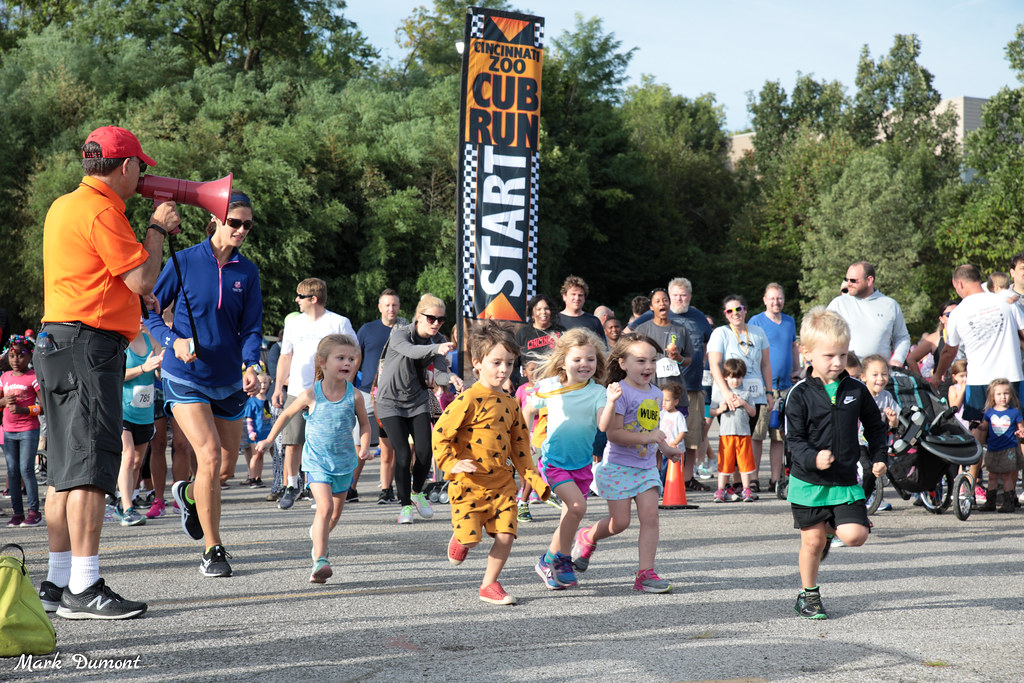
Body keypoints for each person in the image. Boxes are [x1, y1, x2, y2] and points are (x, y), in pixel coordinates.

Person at [36, 125, 178, 619]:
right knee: (94, 471)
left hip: (57, 342)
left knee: (63, 475)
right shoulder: (103, 210)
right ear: (124, 166)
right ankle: (85, 586)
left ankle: (56, 584)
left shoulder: (65, 205)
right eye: (140, 165)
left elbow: (97, 277)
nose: (143, 176)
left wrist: (131, 298)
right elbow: (141, 275)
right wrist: (156, 229)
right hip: (89, 348)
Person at [148, 192, 262, 579]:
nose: (242, 230)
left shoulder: (248, 273)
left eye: (248, 224)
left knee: (226, 468)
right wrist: (171, 341)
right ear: (215, 221)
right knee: (210, 455)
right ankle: (213, 550)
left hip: (229, 379)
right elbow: (148, 309)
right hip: (186, 377)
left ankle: (186, 493)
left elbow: (251, 328)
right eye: (236, 222)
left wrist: (252, 364)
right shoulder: (183, 261)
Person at [432, 322, 550, 606]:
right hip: (469, 485)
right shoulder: (468, 399)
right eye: (496, 362)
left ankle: (489, 584)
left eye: (509, 363)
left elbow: (521, 448)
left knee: (507, 535)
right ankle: (461, 540)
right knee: (471, 540)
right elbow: (441, 433)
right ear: (477, 363)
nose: (503, 369)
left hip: (501, 485)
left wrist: (535, 482)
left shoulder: (511, 404)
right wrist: (452, 463)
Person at [785, 308, 887, 620]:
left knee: (855, 536)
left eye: (843, 354)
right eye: (829, 355)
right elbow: (794, 440)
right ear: (807, 353)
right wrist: (812, 457)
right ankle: (809, 595)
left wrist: (880, 455)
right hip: (808, 483)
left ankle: (833, 530)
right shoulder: (798, 395)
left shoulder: (856, 389)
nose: (837, 362)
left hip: (844, 480)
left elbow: (875, 424)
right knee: (812, 542)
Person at [256, 334, 373, 582]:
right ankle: (320, 560)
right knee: (325, 507)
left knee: (334, 515)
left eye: (351, 358)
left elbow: (364, 426)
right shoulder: (311, 395)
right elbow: (286, 415)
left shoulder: (355, 396)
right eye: (340, 358)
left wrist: (363, 447)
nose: (348, 363)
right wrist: (268, 439)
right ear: (322, 362)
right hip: (317, 463)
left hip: (344, 464)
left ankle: (318, 537)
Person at [572, 333, 683, 594]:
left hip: (645, 468)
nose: (648, 367)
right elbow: (614, 434)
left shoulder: (656, 394)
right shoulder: (620, 393)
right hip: (619, 466)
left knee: (651, 517)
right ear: (622, 363)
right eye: (640, 360)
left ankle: (645, 573)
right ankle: (588, 536)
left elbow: (652, 431)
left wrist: (666, 449)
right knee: (619, 522)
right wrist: (650, 437)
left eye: (652, 361)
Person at [522, 328, 610, 591]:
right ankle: (560, 558)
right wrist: (525, 438)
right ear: (563, 362)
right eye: (577, 359)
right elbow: (527, 409)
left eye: (590, 360)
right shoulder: (550, 387)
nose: (584, 364)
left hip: (582, 464)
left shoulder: (598, 392)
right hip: (554, 461)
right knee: (578, 507)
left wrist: (613, 401)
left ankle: (547, 561)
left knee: (569, 515)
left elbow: (603, 425)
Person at [376, 294, 463, 524]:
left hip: (417, 401)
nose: (436, 323)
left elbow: (440, 374)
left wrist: (452, 377)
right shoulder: (401, 334)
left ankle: (417, 493)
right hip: (390, 402)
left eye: (440, 320)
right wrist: (436, 348)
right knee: (403, 454)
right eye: (431, 318)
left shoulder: (439, 339)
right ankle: (405, 506)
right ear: (419, 317)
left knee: (425, 451)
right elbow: (413, 352)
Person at [272, 278, 356, 510]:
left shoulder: (338, 322)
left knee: (325, 440)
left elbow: (355, 353)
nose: (296, 300)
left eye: (300, 296)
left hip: (328, 392)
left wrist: (345, 383)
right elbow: (285, 355)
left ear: (314, 299)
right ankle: (291, 485)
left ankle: (318, 486)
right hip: (299, 390)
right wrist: (279, 386)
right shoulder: (294, 323)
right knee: (292, 441)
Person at [628, 278, 714, 489]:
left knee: (685, 435)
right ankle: (652, 477)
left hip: (684, 387)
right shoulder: (647, 323)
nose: (669, 302)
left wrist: (680, 358)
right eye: (667, 297)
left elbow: (698, 351)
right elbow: (628, 342)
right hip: (653, 389)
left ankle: (683, 480)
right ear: (653, 305)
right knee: (652, 433)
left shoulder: (690, 322)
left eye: (681, 295)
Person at [931, 265, 1024, 443]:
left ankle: (972, 471)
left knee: (978, 429)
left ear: (959, 283)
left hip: (979, 380)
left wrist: (938, 375)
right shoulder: (1006, 303)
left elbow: (950, 350)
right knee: (1019, 428)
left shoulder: (958, 312)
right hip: (1012, 376)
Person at [707, 294, 774, 492]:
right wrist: (726, 392)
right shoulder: (720, 333)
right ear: (725, 315)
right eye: (730, 311)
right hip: (730, 393)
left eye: (739, 309)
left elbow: (765, 364)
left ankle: (749, 479)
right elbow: (714, 365)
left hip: (755, 393)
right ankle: (734, 482)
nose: (735, 313)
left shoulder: (758, 332)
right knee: (733, 436)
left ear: (745, 310)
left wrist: (769, 391)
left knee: (751, 436)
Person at [748, 283, 800, 490]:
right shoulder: (756, 321)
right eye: (772, 298)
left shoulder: (789, 321)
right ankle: (752, 478)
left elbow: (793, 347)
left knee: (779, 436)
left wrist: (798, 368)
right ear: (764, 300)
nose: (776, 302)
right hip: (761, 387)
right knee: (757, 434)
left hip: (785, 386)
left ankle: (775, 479)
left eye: (779, 298)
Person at [354, 289, 403, 505]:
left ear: (399, 307)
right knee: (358, 444)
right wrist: (348, 386)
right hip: (367, 393)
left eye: (394, 305)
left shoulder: (406, 330)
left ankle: (387, 490)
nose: (391, 309)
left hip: (396, 395)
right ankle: (350, 488)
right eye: (387, 305)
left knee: (390, 446)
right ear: (379, 307)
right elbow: (355, 358)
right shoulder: (367, 330)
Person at [114, 324, 163, 526]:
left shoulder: (153, 341)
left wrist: (160, 368)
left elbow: (160, 375)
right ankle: (127, 509)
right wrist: (143, 367)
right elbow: (117, 374)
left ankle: (123, 502)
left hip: (145, 412)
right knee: (128, 456)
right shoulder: (121, 342)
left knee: (136, 462)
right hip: (123, 410)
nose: (141, 320)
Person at [827, 261, 911, 368]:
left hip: (879, 376)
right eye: (846, 280)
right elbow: (823, 336)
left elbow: (902, 337)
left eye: (853, 280)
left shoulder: (890, 305)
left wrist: (897, 359)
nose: (848, 284)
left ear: (869, 280)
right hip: (847, 373)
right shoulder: (838, 304)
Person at [1, 335, 43, 527]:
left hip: (28, 430)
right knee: (13, 471)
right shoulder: (4, 377)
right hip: (9, 431)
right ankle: (18, 513)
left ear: (30, 356)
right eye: (12, 356)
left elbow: (44, 407)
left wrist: (25, 410)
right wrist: (3, 402)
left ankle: (34, 512)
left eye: (21, 356)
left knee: (26, 470)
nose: (16, 360)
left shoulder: (34, 377)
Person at [710, 358, 757, 503]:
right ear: (725, 376)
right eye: (731, 377)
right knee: (725, 463)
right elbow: (711, 411)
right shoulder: (721, 393)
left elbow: (753, 412)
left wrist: (743, 403)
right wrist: (720, 409)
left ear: (742, 377)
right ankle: (720, 489)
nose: (735, 381)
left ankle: (746, 489)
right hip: (726, 434)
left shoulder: (746, 393)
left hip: (743, 434)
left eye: (738, 377)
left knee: (745, 464)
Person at [977, 378, 1024, 513]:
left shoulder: (1014, 412)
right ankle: (990, 501)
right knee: (992, 475)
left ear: (1011, 395)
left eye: (1006, 393)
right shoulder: (989, 412)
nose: (1003, 397)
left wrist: (1021, 432)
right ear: (993, 396)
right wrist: (978, 426)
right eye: (999, 394)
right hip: (993, 448)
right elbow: (985, 426)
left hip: (1008, 448)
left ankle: (1008, 502)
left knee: (1006, 476)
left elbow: (1021, 427)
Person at [858, 354, 898, 511]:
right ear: (863, 377)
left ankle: (867, 498)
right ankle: (861, 500)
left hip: (877, 443)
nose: (880, 379)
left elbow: (895, 425)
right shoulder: (860, 395)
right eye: (874, 375)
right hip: (859, 442)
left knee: (875, 470)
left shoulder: (887, 397)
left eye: (884, 374)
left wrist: (892, 419)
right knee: (866, 471)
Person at [904, 301, 959, 386]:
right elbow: (911, 359)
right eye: (949, 314)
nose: (954, 317)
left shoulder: (968, 334)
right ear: (941, 319)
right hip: (943, 386)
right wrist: (922, 384)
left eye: (957, 313)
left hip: (967, 382)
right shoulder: (935, 338)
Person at [514, 359, 541, 521]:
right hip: (526, 431)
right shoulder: (521, 389)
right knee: (525, 465)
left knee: (536, 465)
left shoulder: (544, 389)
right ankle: (524, 489)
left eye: (538, 369)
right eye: (531, 369)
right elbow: (517, 408)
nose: (535, 372)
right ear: (525, 373)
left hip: (541, 432)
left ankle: (533, 491)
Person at [515, 294, 566, 378]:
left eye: (546, 308)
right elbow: (514, 361)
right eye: (538, 309)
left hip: (555, 382)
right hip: (529, 383)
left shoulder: (560, 331)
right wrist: (507, 380)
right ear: (532, 315)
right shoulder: (523, 333)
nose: (543, 312)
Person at [241, 375, 272, 487]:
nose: (263, 385)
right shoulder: (252, 400)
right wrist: (251, 432)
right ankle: (252, 477)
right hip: (256, 433)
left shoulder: (268, 399)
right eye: (260, 383)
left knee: (261, 456)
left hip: (265, 433)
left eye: (265, 383)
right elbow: (249, 418)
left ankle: (258, 477)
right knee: (255, 455)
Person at [557, 275, 606, 340]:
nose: (577, 298)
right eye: (573, 294)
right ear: (564, 296)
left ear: (584, 298)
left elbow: (602, 348)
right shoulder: (554, 320)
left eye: (580, 295)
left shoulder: (594, 321)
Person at [657, 381, 687, 483]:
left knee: (675, 473)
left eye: (667, 400)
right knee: (663, 471)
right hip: (663, 449)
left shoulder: (678, 415)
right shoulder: (661, 414)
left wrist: (674, 443)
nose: (663, 403)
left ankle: (674, 491)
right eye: (662, 400)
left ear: (675, 402)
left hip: (676, 450)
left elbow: (683, 432)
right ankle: (664, 491)